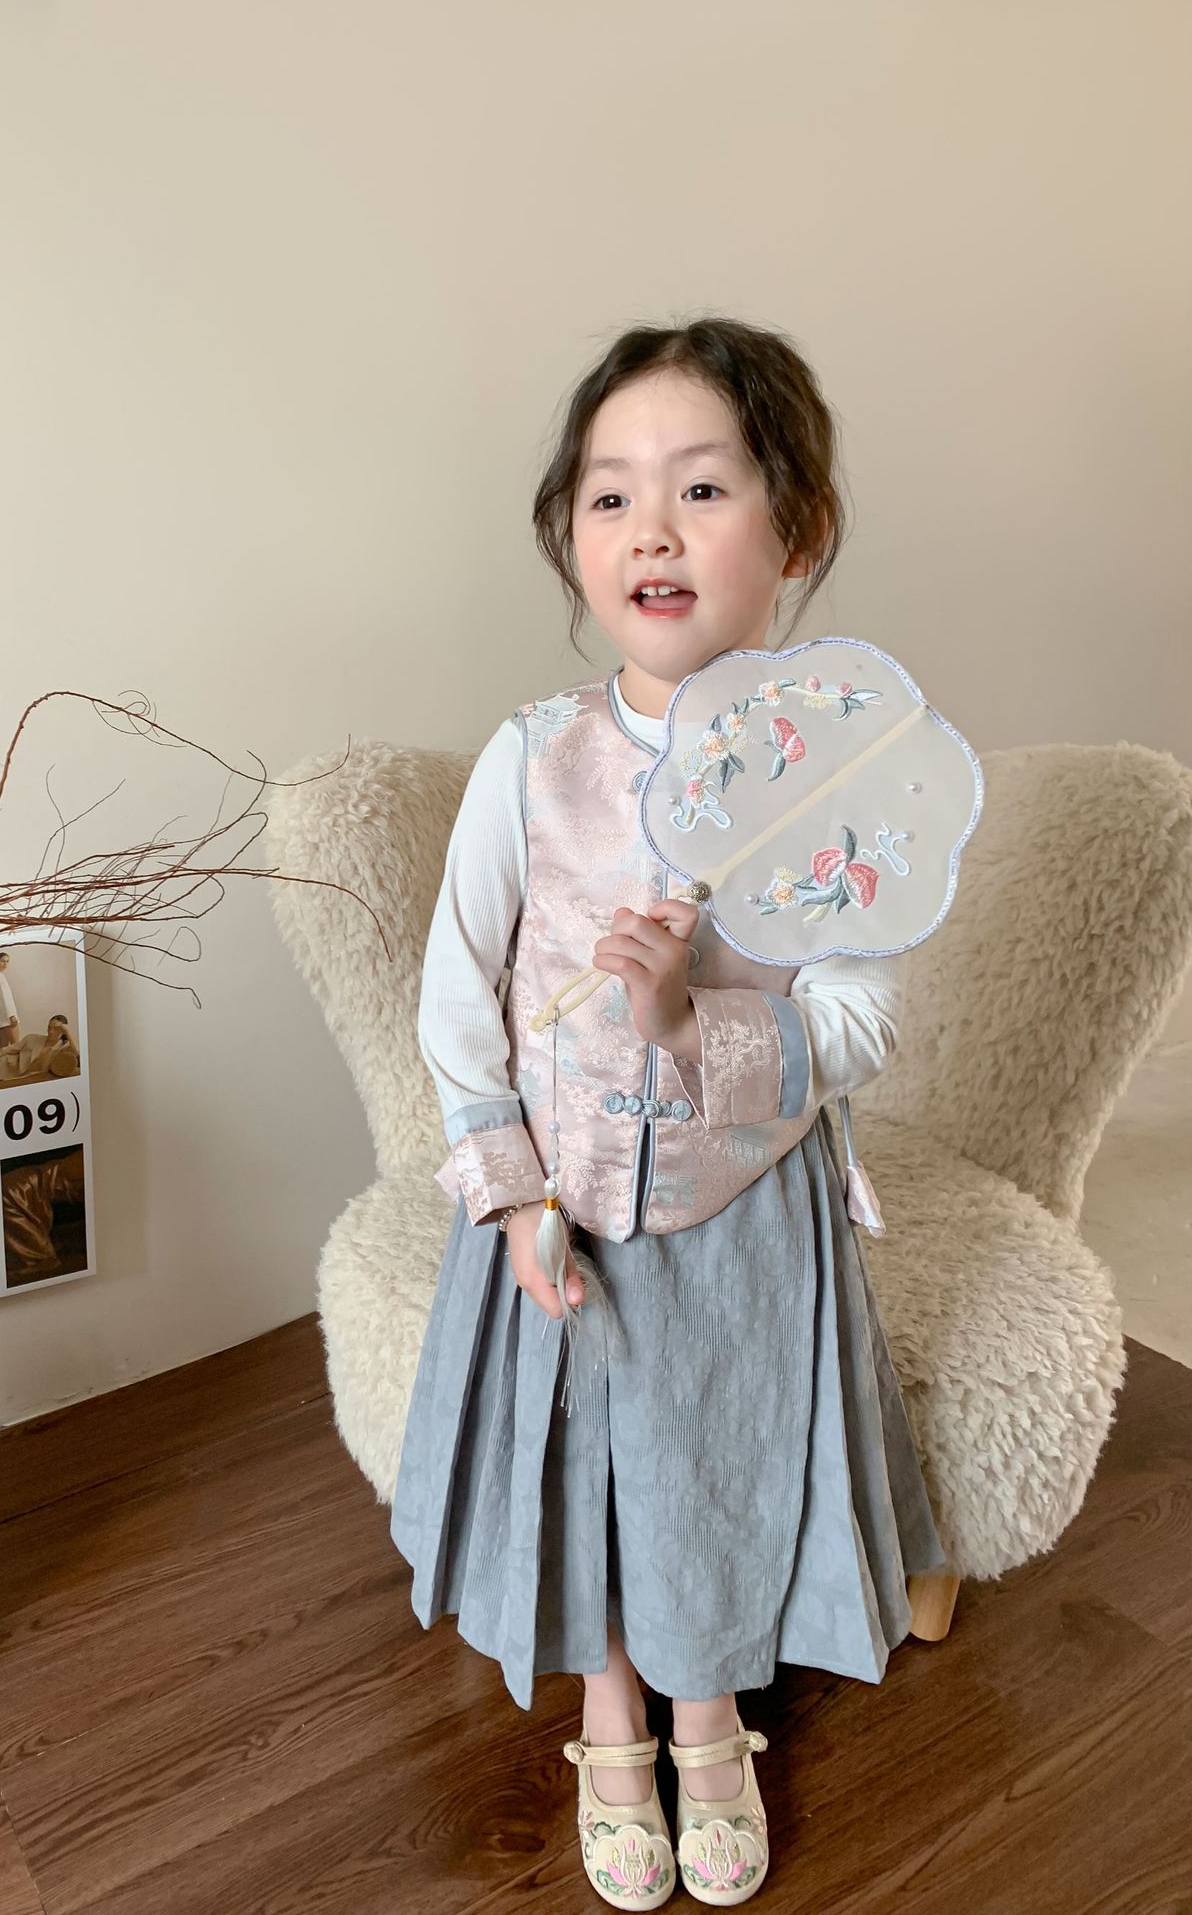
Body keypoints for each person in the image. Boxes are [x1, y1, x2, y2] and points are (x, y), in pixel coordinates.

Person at [389, 316, 948, 1910]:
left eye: (702, 488)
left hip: (742, 1210)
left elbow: (861, 1019)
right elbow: (457, 995)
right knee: (590, 1456)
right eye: (611, 494)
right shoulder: (531, 760)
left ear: (797, 531)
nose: (653, 529)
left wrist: (692, 1017)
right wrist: (510, 1193)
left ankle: (712, 1717)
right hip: (564, 1211)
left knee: (710, 1458)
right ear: (570, 535)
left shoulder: (836, 792)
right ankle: (612, 1710)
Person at [0, 1013, 80, 1079]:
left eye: (56, 1029)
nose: (51, 1031)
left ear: (63, 1031)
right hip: (7, 1067)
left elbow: (75, 1053)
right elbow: (8, 1049)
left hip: (29, 1077)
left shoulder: (63, 1047)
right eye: (49, 1027)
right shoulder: (32, 1038)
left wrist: (67, 1031)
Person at [0, 950, 21, 1052]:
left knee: (3, 1049)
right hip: (7, 1018)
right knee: (16, 1047)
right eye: (2, 961)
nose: (5, 964)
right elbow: (3, 997)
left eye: (7, 961)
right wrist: (11, 1015)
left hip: (1, 1019)